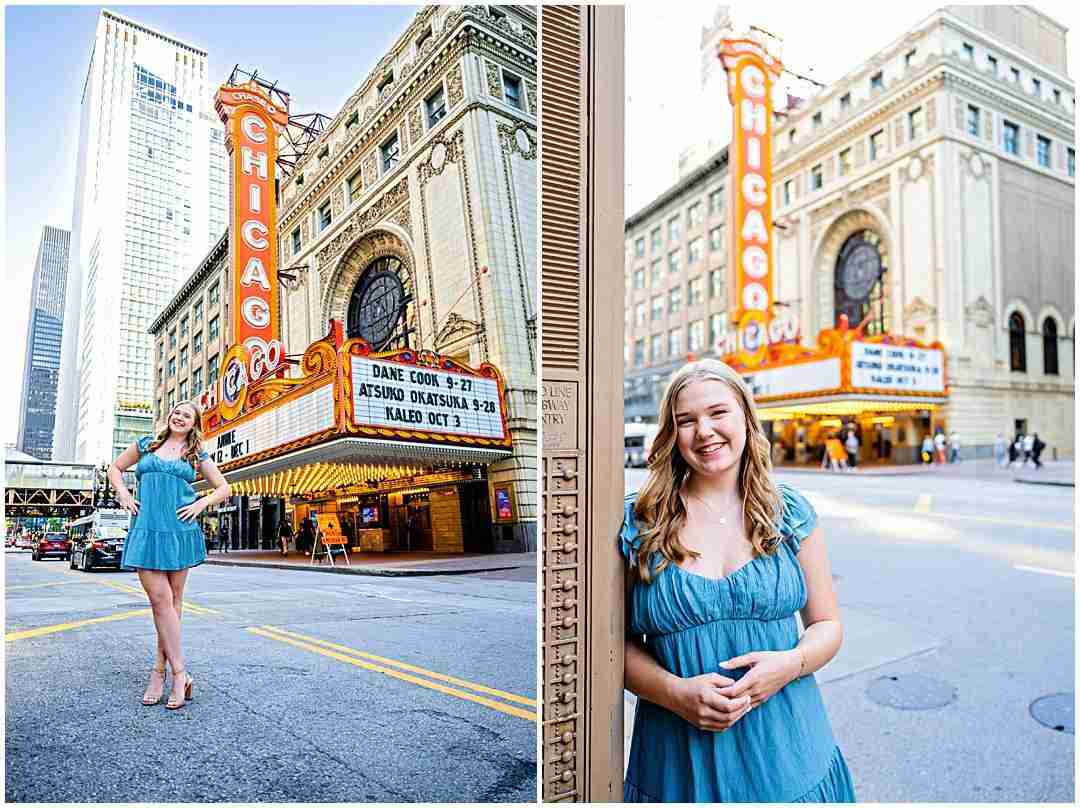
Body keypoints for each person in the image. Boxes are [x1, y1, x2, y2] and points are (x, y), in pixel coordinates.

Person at [619, 359, 854, 802]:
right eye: (685, 421)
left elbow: (828, 626)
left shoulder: (791, 513)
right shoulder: (639, 521)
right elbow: (614, 646)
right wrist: (674, 693)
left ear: (746, 417)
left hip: (789, 752)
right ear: (672, 436)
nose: (704, 431)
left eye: (718, 412)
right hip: (678, 761)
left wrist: (791, 665)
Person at [109, 400, 230, 711]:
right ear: (170, 416)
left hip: (179, 530)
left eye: (186, 415)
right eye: (176, 412)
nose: (179, 417)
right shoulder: (146, 444)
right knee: (160, 601)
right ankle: (179, 673)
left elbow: (223, 488)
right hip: (146, 529)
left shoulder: (195, 454)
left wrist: (200, 505)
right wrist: (123, 493)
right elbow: (115, 468)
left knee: (172, 604)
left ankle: (162, 673)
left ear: (194, 424)